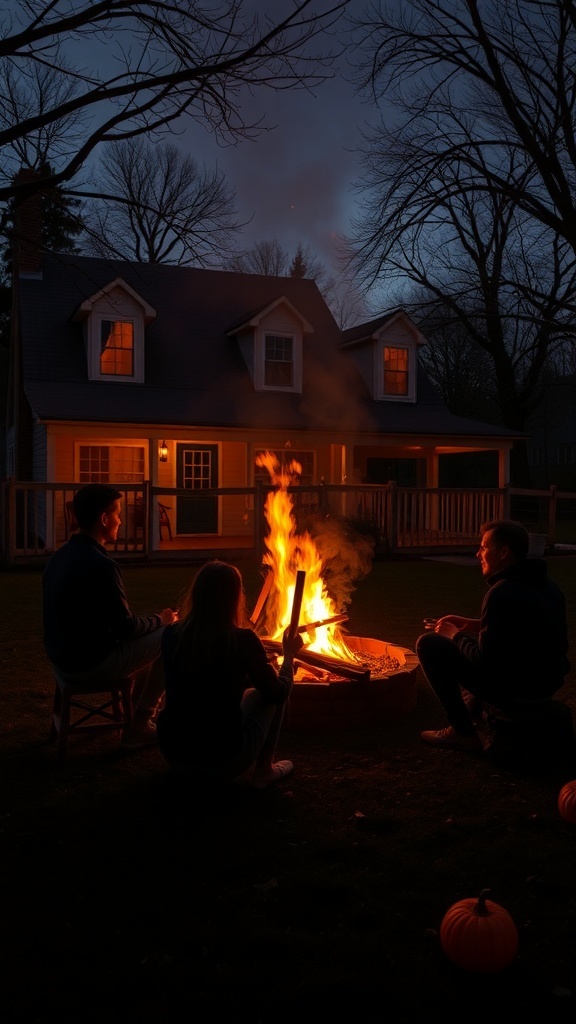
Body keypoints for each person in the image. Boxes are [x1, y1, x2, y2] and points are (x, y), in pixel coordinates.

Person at [43, 484, 178, 749]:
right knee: (171, 636)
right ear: (103, 519)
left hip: (62, 659)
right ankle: (140, 722)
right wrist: (161, 620)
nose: (120, 520)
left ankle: (138, 711)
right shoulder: (102, 565)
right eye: (117, 514)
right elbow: (125, 629)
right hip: (89, 664)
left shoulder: (58, 557)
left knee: (155, 632)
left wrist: (152, 622)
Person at [417, 519, 570, 752]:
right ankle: (474, 709)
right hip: (546, 684)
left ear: (504, 552)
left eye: (484, 547)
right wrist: (472, 624)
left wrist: (454, 635)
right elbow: (524, 629)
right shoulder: (547, 585)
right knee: (470, 645)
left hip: (518, 689)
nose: (478, 554)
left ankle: (462, 731)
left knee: (429, 644)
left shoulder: (501, 592)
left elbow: (485, 662)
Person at [156, 560, 303, 788]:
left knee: (251, 694)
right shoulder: (242, 639)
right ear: (233, 597)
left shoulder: (171, 634)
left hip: (173, 754)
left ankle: (141, 717)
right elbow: (278, 692)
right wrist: (289, 655)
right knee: (267, 695)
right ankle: (265, 770)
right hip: (222, 760)